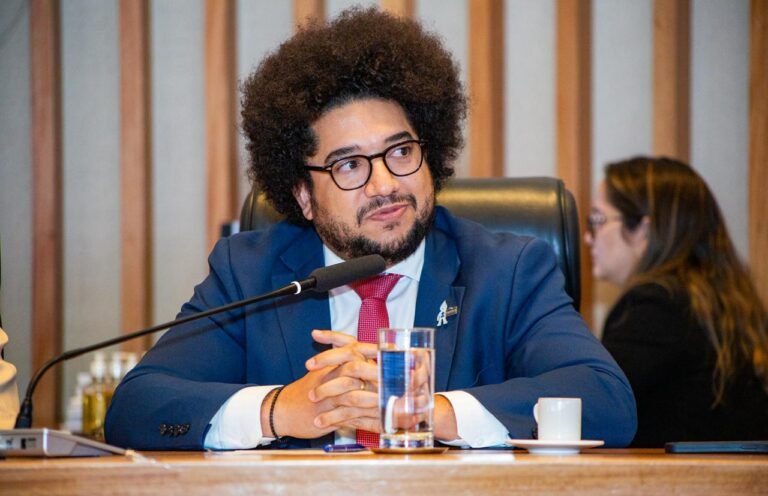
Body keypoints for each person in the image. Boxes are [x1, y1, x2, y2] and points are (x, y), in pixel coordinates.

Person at [105, 7, 636, 450]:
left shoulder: (506, 270)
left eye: (400, 152)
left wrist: (427, 410)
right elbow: (136, 408)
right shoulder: (248, 273)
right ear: (303, 195)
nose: (385, 184)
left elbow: (607, 402)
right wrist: (281, 409)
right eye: (349, 165)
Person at [586, 156, 768, 447]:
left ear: (644, 230)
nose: (587, 237)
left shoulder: (656, 308)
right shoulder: (714, 300)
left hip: (686, 476)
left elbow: (592, 404)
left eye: (597, 220)